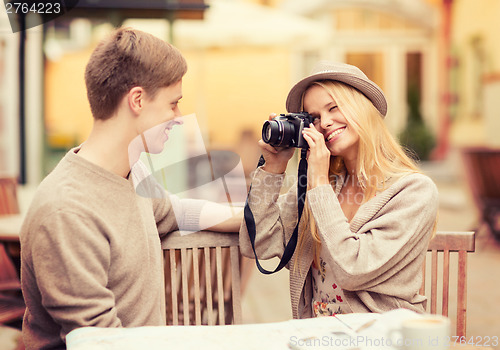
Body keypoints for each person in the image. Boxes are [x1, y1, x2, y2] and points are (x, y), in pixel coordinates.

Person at [20, 27, 241, 349]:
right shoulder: (68, 210)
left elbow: (176, 211)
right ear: (137, 100)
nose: (179, 117)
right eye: (173, 104)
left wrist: (251, 218)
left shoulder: (130, 176)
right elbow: (99, 340)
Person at [239, 61, 438, 319]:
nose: (326, 123)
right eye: (315, 118)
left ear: (362, 108)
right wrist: (273, 169)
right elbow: (258, 243)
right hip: (319, 335)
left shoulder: (413, 191)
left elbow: (352, 271)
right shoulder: (327, 184)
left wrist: (318, 184)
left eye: (334, 108)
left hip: (381, 336)